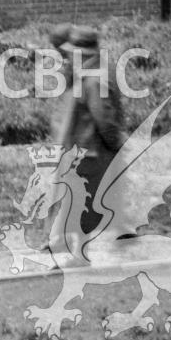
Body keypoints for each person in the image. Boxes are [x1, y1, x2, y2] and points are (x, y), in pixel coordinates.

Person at [47, 24, 124, 243]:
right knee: (74, 197)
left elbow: (103, 116)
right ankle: (62, 241)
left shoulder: (94, 78)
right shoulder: (83, 73)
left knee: (83, 201)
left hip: (89, 150)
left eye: (71, 52)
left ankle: (81, 254)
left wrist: (114, 143)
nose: (67, 55)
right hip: (77, 147)